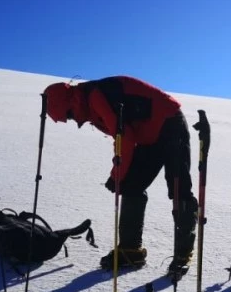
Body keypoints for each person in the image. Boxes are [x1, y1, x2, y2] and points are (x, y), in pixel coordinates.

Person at [43, 76, 198, 277]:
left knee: (178, 188)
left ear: (71, 102)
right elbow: (121, 136)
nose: (73, 119)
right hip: (147, 135)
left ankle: (183, 253)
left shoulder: (97, 97)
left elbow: (124, 136)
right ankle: (131, 250)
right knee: (131, 185)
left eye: (69, 114)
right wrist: (120, 175)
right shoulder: (89, 102)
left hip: (169, 122)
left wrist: (116, 174)